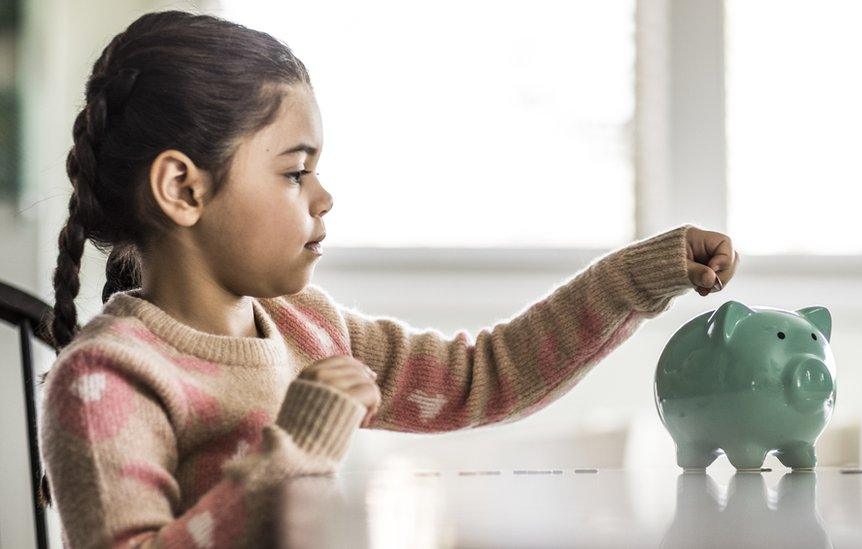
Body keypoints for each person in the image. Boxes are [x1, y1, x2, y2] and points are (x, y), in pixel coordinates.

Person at [39, 10, 740, 548]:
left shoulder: (307, 326)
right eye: (294, 172)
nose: (323, 196)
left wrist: (638, 278)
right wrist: (294, 451)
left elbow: (482, 374)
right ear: (183, 189)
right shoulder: (107, 381)